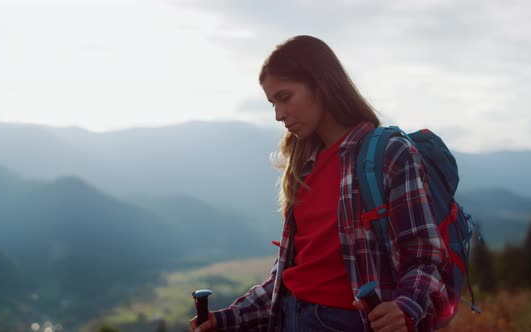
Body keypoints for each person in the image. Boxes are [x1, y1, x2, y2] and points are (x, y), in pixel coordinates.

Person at [190, 35, 452, 332]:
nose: (278, 114)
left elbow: (426, 257)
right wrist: (226, 319)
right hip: (290, 319)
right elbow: (292, 275)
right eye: (272, 102)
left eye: (285, 97)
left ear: (321, 85)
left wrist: (405, 308)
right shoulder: (303, 167)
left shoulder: (390, 155)